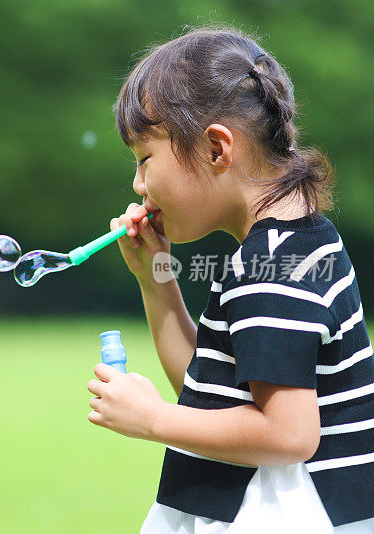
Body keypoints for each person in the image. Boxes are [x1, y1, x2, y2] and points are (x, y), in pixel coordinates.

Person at [86, 24, 374, 533]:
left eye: (145, 159)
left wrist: (153, 419)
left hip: (279, 515)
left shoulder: (272, 269)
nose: (138, 185)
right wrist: (156, 280)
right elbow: (211, 396)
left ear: (217, 149)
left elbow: (288, 435)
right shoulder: (292, 247)